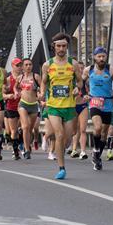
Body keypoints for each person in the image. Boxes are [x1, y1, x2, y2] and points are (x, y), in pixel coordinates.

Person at [40, 33, 78, 180]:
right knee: (59, 135)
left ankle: (62, 149)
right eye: (58, 46)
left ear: (67, 47)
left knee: (68, 138)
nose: (61, 48)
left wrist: (77, 89)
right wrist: (43, 92)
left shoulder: (73, 64)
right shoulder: (47, 65)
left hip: (69, 106)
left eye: (64, 46)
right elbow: (44, 81)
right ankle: (61, 168)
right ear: (54, 47)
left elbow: (80, 82)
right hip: (53, 106)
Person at [83, 47, 113, 171]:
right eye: (99, 56)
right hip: (95, 101)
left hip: (108, 103)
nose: (101, 59)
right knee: (97, 127)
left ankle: (97, 156)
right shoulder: (89, 70)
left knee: (104, 133)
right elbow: (80, 83)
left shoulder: (111, 69)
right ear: (94, 57)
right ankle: (95, 149)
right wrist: (84, 94)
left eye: (103, 56)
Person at [16, 58, 41, 160]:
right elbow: (15, 87)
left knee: (30, 129)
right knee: (25, 127)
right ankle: (26, 150)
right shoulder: (20, 77)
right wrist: (17, 92)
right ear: (22, 67)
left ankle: (27, 144)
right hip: (23, 104)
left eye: (30, 64)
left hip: (34, 104)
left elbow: (42, 88)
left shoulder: (36, 77)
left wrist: (41, 94)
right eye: (26, 65)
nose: (28, 67)